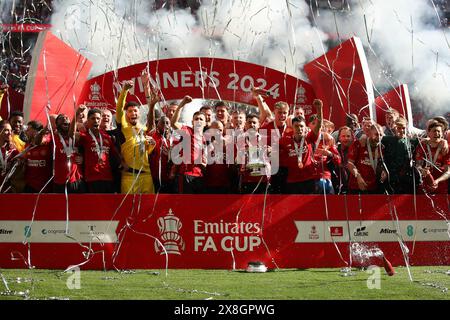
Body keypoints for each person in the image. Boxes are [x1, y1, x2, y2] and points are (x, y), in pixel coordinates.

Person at [116, 80, 156, 194]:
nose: (133, 113)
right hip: (130, 177)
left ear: (139, 114)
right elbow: (119, 109)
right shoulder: (124, 126)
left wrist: (152, 145)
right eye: (129, 111)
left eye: (135, 111)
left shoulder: (143, 130)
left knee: (148, 209)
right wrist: (125, 91)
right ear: (126, 114)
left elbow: (146, 152)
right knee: (128, 209)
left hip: (146, 176)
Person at [279, 99, 323, 194]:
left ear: (305, 127)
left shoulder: (309, 138)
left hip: (309, 179)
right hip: (292, 181)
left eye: (301, 126)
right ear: (292, 127)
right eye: (297, 126)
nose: (299, 129)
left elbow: (318, 125)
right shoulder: (284, 140)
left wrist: (319, 109)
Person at [71, 107, 119, 193]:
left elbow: (116, 154)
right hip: (92, 179)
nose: (96, 121)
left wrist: (123, 163)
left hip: (107, 178)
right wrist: (76, 115)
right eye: (93, 118)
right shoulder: (84, 136)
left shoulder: (107, 137)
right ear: (88, 121)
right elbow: (71, 135)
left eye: (98, 118)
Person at [171, 96, 207, 194]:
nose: (198, 121)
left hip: (199, 176)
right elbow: (173, 123)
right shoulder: (187, 131)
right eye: (196, 119)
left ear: (205, 123)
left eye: (201, 119)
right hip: (185, 175)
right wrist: (182, 104)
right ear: (192, 122)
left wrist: (204, 164)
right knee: (184, 204)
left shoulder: (204, 139)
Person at [381, 117, 420, 194]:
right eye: (399, 128)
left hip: (406, 179)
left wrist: (443, 141)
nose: (401, 130)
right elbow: (373, 138)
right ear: (394, 128)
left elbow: (427, 140)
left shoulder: (412, 141)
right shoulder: (387, 139)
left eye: (403, 128)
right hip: (390, 178)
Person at [347, 123, 387, 194]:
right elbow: (349, 163)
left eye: (381, 135)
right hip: (357, 186)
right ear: (369, 134)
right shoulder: (358, 144)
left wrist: (384, 172)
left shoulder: (382, 148)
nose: (379, 137)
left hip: (374, 188)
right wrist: (358, 176)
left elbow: (382, 164)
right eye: (376, 134)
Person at [237, 114, 270, 194]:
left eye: (254, 123)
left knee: (262, 205)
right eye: (249, 122)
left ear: (259, 124)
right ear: (245, 124)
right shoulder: (239, 140)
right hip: (246, 180)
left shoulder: (266, 139)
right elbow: (236, 160)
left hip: (263, 179)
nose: (252, 125)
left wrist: (270, 152)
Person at [53, 114, 86, 193]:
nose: (65, 118)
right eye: (61, 118)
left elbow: (90, 149)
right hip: (59, 181)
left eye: (67, 117)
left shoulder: (76, 137)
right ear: (56, 124)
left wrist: (83, 157)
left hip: (77, 180)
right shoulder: (53, 138)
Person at [415, 120, 450, 194]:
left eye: (438, 131)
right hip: (425, 184)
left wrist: (438, 180)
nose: (436, 133)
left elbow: (448, 171)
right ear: (428, 133)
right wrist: (421, 170)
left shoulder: (447, 149)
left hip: (441, 186)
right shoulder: (422, 146)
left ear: (442, 134)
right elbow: (418, 165)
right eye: (434, 131)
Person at [23, 120, 53, 193]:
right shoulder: (27, 145)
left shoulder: (48, 142)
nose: (26, 131)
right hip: (30, 185)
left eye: (28, 129)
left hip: (44, 187)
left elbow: (40, 140)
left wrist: (42, 133)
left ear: (36, 131)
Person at [204, 120, 233, 193]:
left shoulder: (228, 145)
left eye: (220, 130)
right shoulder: (205, 144)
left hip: (225, 185)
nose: (217, 132)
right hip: (208, 184)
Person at [149, 116, 175, 193]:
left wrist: (170, 155)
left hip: (170, 178)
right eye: (163, 123)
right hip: (155, 178)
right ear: (157, 125)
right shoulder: (152, 137)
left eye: (167, 123)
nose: (165, 125)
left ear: (170, 125)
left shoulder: (173, 140)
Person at [331, 126, 353, 194]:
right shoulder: (335, 150)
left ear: (352, 137)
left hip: (354, 186)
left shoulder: (356, 150)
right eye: (343, 136)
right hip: (339, 187)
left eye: (348, 136)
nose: (346, 138)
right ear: (339, 138)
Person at [0, 120, 20, 193]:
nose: (9, 133)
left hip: (7, 189)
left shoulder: (13, 151)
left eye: (10, 130)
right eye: (6, 130)